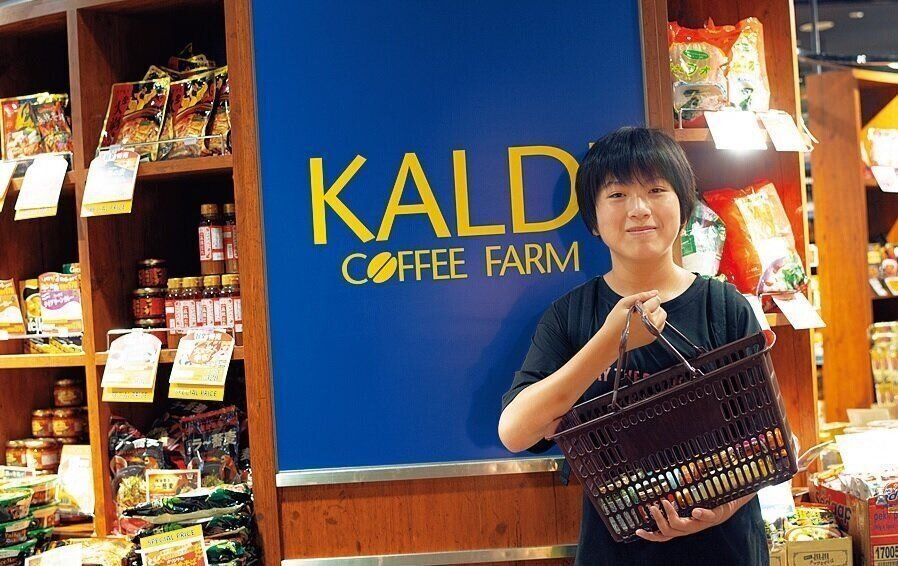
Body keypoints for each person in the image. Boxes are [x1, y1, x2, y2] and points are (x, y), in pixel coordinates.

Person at [497, 127, 768, 565]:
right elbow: (515, 432)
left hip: (725, 546)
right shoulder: (571, 316)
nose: (639, 208)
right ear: (593, 219)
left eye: (656, 190)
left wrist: (724, 507)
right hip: (616, 551)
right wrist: (610, 343)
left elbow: (768, 439)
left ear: (683, 205)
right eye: (617, 194)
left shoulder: (724, 306)